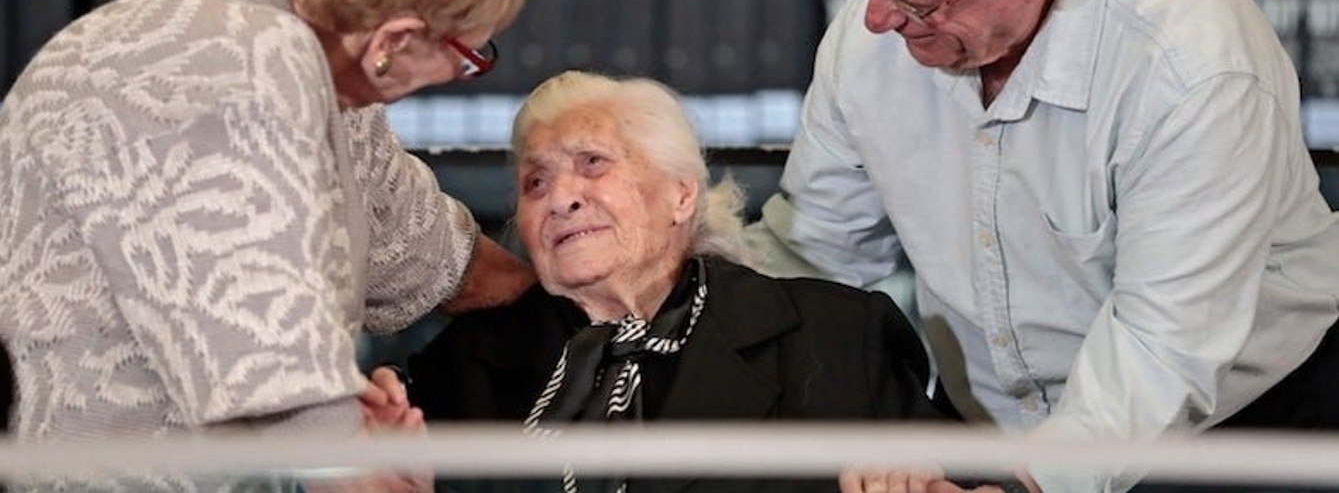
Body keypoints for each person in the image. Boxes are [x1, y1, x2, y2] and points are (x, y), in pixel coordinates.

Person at [745, 0, 1339, 493]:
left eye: (913, 0)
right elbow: (813, 251)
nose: (875, 18)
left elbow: (1162, 345)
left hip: (1225, 430)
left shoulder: (1192, 66)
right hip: (985, 421)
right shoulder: (891, 13)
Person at [0, 0, 538, 459]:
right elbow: (275, 382)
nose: (459, 75)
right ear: (393, 41)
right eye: (468, 55)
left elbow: (433, 262)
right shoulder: (228, 62)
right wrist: (367, 448)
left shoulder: (319, 65)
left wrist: (611, 297)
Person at [370, 70, 963, 493]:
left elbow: (962, 478)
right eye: (535, 183)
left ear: (681, 194)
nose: (561, 199)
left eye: (593, 164)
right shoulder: (463, 367)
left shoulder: (835, 337)